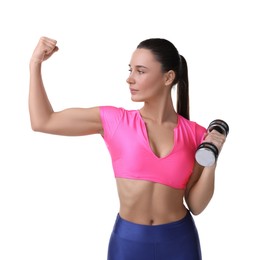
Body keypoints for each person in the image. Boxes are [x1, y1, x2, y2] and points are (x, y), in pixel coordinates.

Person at [29, 36, 226, 260]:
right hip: (129, 241)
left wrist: (211, 161)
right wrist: (35, 64)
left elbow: (196, 205)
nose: (129, 79)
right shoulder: (115, 121)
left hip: (179, 241)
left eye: (140, 71)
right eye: (130, 70)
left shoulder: (196, 134)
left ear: (168, 77)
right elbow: (43, 121)